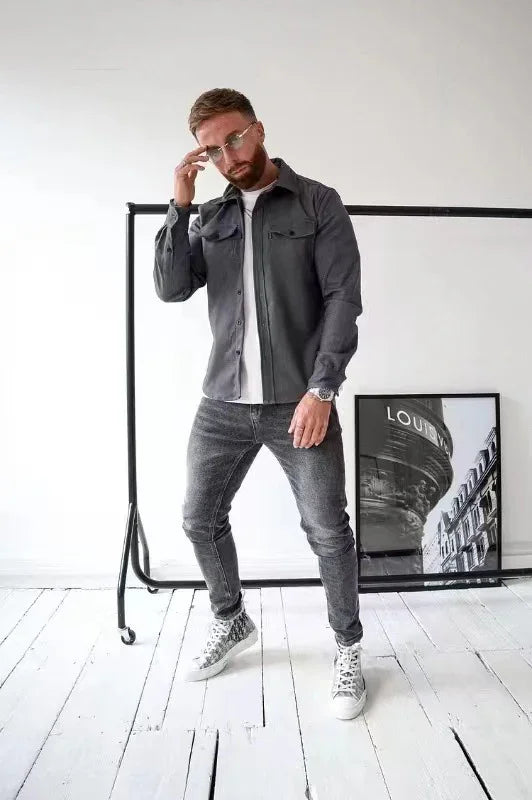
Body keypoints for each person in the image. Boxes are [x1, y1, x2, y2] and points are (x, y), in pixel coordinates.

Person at [153, 88, 365, 720]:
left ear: (259, 128)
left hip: (298, 400)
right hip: (222, 401)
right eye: (213, 149)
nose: (229, 156)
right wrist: (180, 204)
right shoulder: (211, 215)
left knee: (327, 530)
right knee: (198, 518)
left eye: (235, 139)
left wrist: (322, 390)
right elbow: (170, 288)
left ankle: (347, 647)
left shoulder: (317, 202)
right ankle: (231, 619)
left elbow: (343, 300)